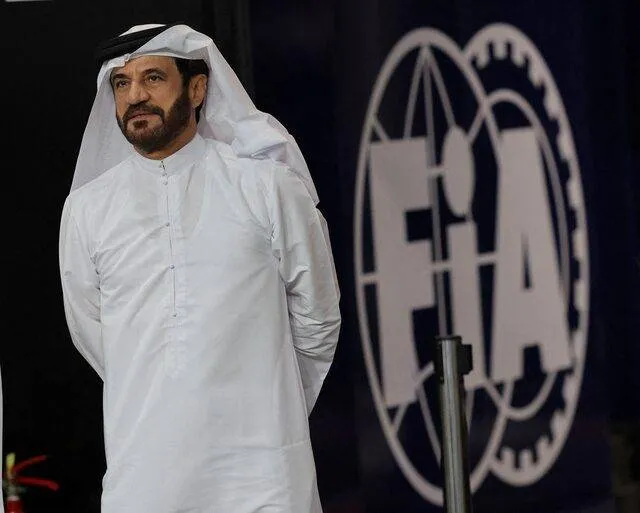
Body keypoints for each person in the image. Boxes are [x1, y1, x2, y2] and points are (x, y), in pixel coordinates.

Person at [59, 23, 341, 513]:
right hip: (145, 480)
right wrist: (166, 388)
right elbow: (95, 336)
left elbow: (318, 318)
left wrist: (272, 404)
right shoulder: (87, 210)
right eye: (122, 83)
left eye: (152, 78)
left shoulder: (267, 186)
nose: (135, 96)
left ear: (197, 89)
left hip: (265, 479)